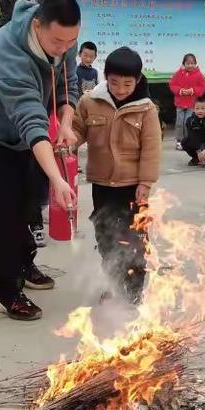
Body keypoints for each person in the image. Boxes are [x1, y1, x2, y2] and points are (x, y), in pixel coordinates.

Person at [0, 0, 81, 321]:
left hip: (26, 129)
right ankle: (6, 291)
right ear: (37, 25)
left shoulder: (63, 40)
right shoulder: (4, 54)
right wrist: (58, 179)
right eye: (58, 41)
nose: (64, 47)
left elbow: (69, 86)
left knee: (31, 199)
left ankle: (24, 262)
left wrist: (66, 122)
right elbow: (30, 121)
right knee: (2, 208)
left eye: (71, 40)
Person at [72, 47, 161, 304]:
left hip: (133, 186)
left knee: (135, 239)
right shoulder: (90, 102)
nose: (120, 89)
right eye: (114, 82)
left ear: (138, 80)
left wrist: (146, 182)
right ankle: (113, 283)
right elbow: (78, 130)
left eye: (127, 83)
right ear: (105, 78)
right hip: (102, 184)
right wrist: (69, 143)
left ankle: (134, 290)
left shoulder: (146, 109)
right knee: (106, 236)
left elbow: (152, 149)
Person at [169, 53, 205, 150]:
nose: (190, 65)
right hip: (180, 103)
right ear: (184, 64)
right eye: (188, 63)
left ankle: (188, 140)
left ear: (195, 63)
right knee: (179, 122)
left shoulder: (199, 74)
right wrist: (180, 90)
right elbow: (172, 84)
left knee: (188, 122)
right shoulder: (178, 73)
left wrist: (193, 90)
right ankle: (179, 141)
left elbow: (202, 87)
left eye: (192, 63)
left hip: (192, 104)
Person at [181, 97, 205, 166]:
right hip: (197, 144)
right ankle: (196, 158)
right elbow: (192, 137)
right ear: (193, 109)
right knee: (185, 141)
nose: (200, 111)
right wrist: (199, 151)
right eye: (197, 108)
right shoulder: (190, 121)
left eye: (203, 108)